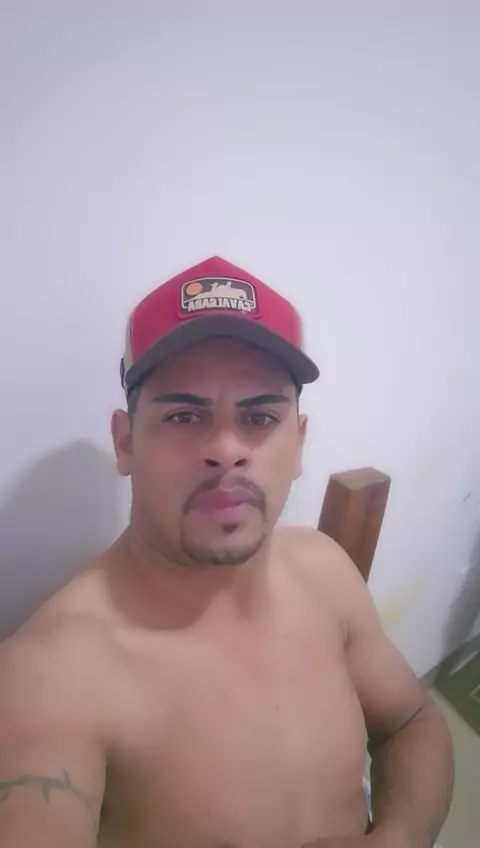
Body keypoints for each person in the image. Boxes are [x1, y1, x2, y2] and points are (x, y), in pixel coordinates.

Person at [0, 256, 453, 848]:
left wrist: (401, 835)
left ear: (299, 445)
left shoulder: (325, 570)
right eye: (184, 415)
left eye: (259, 416)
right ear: (126, 443)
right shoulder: (53, 676)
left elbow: (412, 721)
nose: (226, 448)